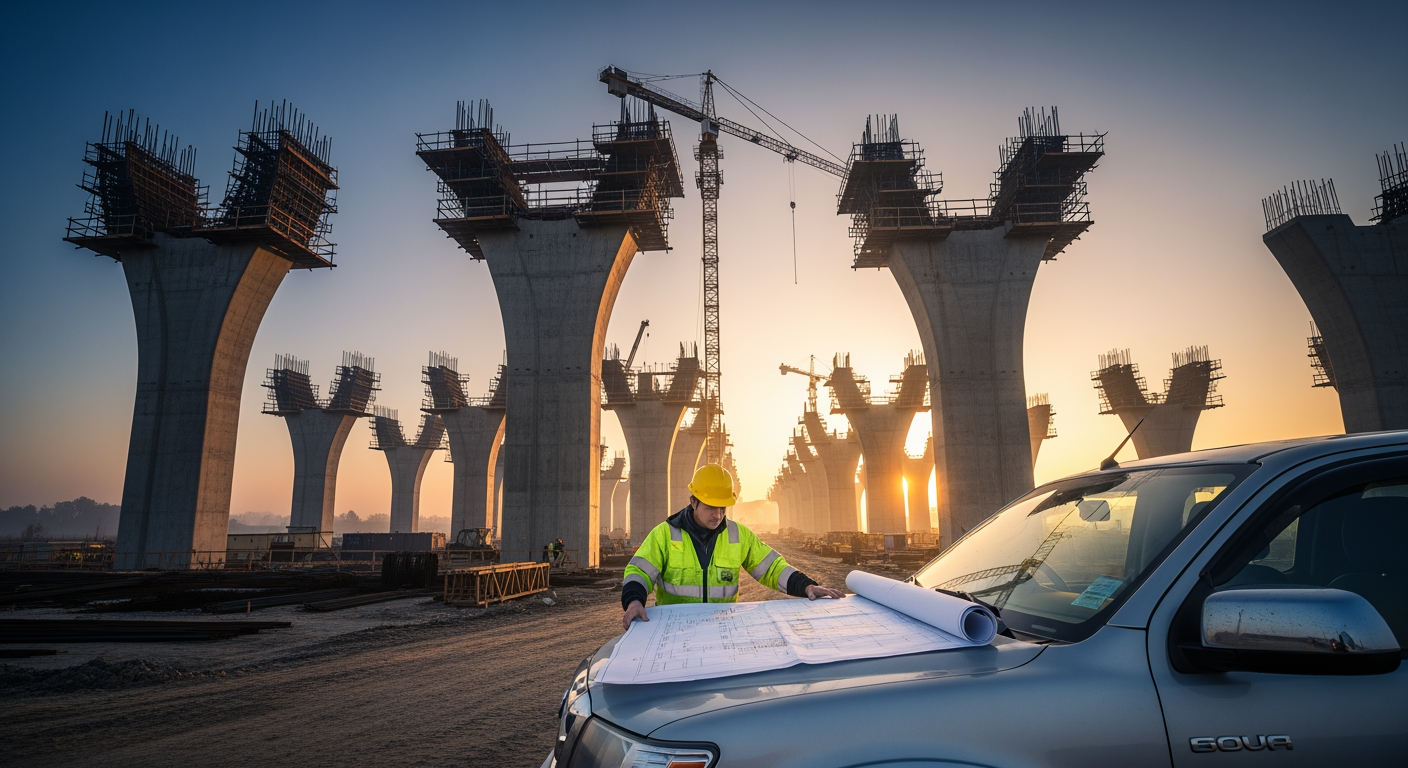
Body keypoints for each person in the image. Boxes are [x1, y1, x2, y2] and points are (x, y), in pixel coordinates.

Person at [621, 463, 844, 631]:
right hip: (674, 631)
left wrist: (805, 586)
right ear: (693, 502)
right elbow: (639, 571)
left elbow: (772, 568)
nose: (718, 515)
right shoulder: (664, 534)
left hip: (723, 629)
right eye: (711, 508)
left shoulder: (738, 536)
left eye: (723, 508)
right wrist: (634, 601)